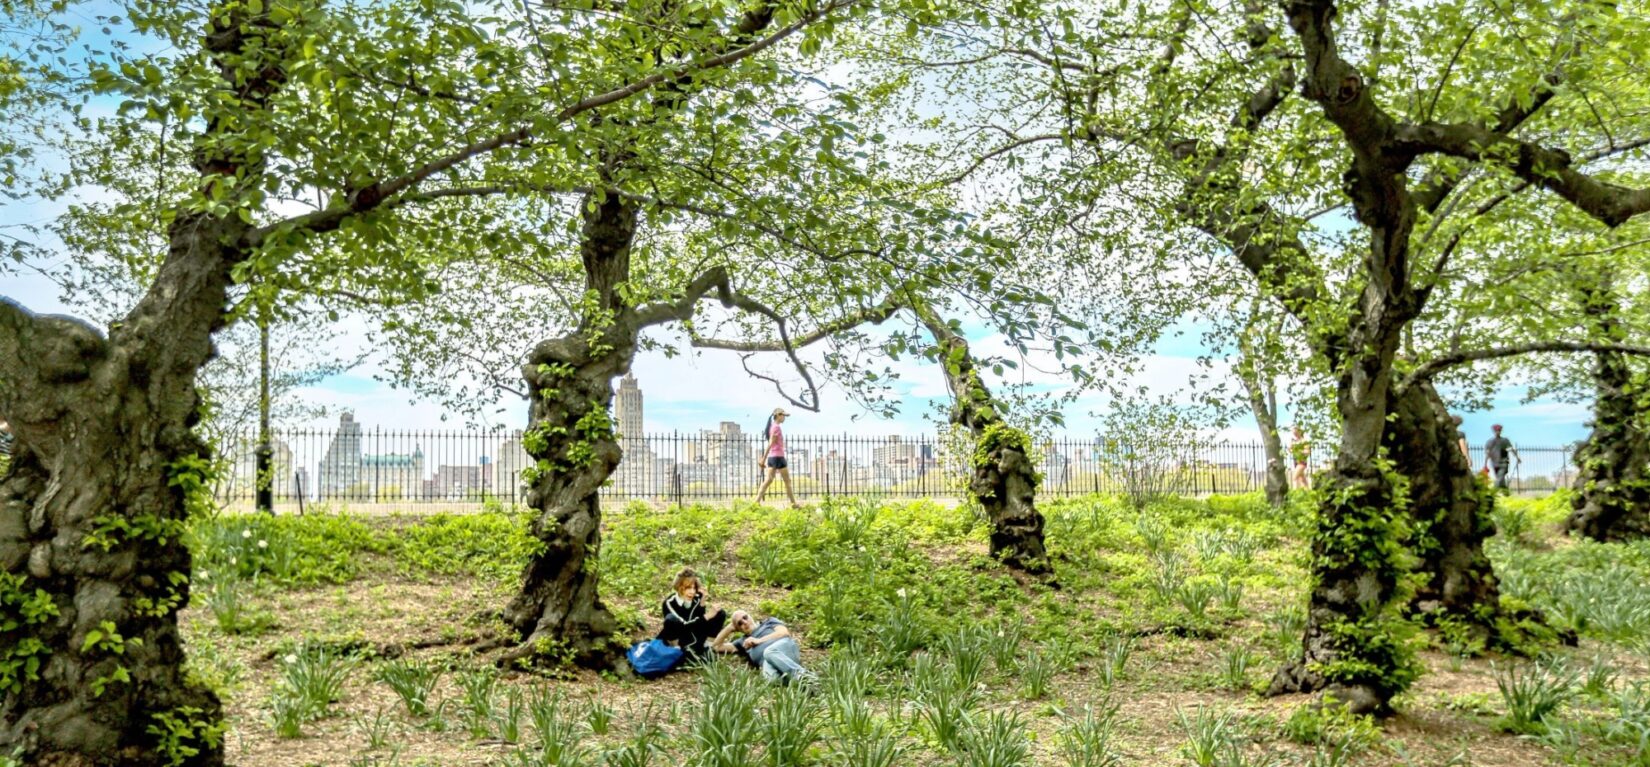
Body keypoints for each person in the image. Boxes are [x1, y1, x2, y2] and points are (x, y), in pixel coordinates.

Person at [712, 609, 814, 685]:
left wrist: (758, 640)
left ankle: (804, 676)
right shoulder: (742, 642)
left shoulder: (768, 622)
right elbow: (716, 647)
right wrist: (729, 628)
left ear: (750, 616)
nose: (745, 622)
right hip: (770, 662)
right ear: (738, 629)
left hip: (785, 649)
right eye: (740, 623)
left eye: (745, 617)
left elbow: (784, 633)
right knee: (771, 680)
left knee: (769, 652)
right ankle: (800, 682)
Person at [658, 567, 726, 658]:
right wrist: (707, 616)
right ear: (678, 587)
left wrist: (702, 603)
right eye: (688, 588)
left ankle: (707, 646)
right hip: (679, 635)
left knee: (720, 613)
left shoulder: (696, 597)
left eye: (694, 588)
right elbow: (684, 626)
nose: (692, 592)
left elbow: (698, 619)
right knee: (670, 619)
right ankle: (676, 650)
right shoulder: (669, 602)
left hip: (694, 633)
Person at [753, 408, 800, 508]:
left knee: (768, 480)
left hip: (773, 457)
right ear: (778, 415)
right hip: (778, 457)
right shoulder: (776, 427)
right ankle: (794, 504)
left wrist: (765, 458)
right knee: (787, 481)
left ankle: (756, 502)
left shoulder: (773, 427)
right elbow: (771, 443)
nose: (784, 418)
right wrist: (763, 458)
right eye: (783, 415)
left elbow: (773, 443)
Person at [1483, 424, 1521, 492]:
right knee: (1501, 479)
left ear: (1501, 431)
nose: (1497, 432)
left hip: (1504, 462)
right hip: (1494, 463)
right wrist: (1485, 464)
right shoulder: (1489, 442)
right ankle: (1506, 493)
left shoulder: (1505, 440)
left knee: (1499, 478)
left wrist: (1517, 457)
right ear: (1493, 431)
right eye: (1496, 430)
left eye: (1499, 430)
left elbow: (1511, 449)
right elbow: (1487, 454)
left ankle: (1494, 492)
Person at [1289, 425, 1310, 490]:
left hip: (1302, 462)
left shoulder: (1304, 441)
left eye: (1296, 433)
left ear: (1299, 432)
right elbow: (1290, 451)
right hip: (1296, 462)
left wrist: (1299, 451)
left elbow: (1307, 452)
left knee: (1295, 477)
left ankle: (1295, 493)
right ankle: (1308, 492)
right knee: (1303, 480)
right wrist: (1291, 448)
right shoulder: (1294, 442)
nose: (1295, 435)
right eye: (1294, 433)